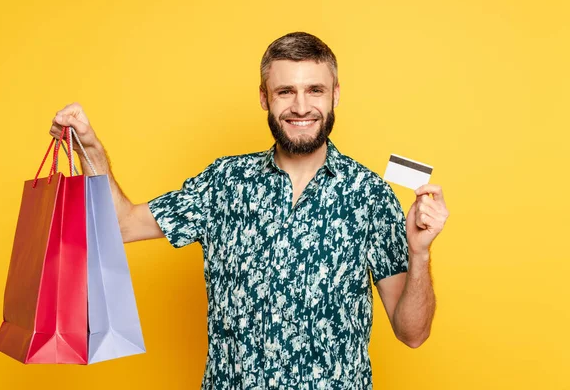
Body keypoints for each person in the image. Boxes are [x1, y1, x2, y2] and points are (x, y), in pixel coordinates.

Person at [50, 32, 449, 389]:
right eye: (285, 92)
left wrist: (420, 252)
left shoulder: (370, 195)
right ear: (264, 97)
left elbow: (412, 333)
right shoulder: (225, 182)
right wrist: (91, 147)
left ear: (335, 95)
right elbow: (121, 225)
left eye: (315, 90)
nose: (301, 106)